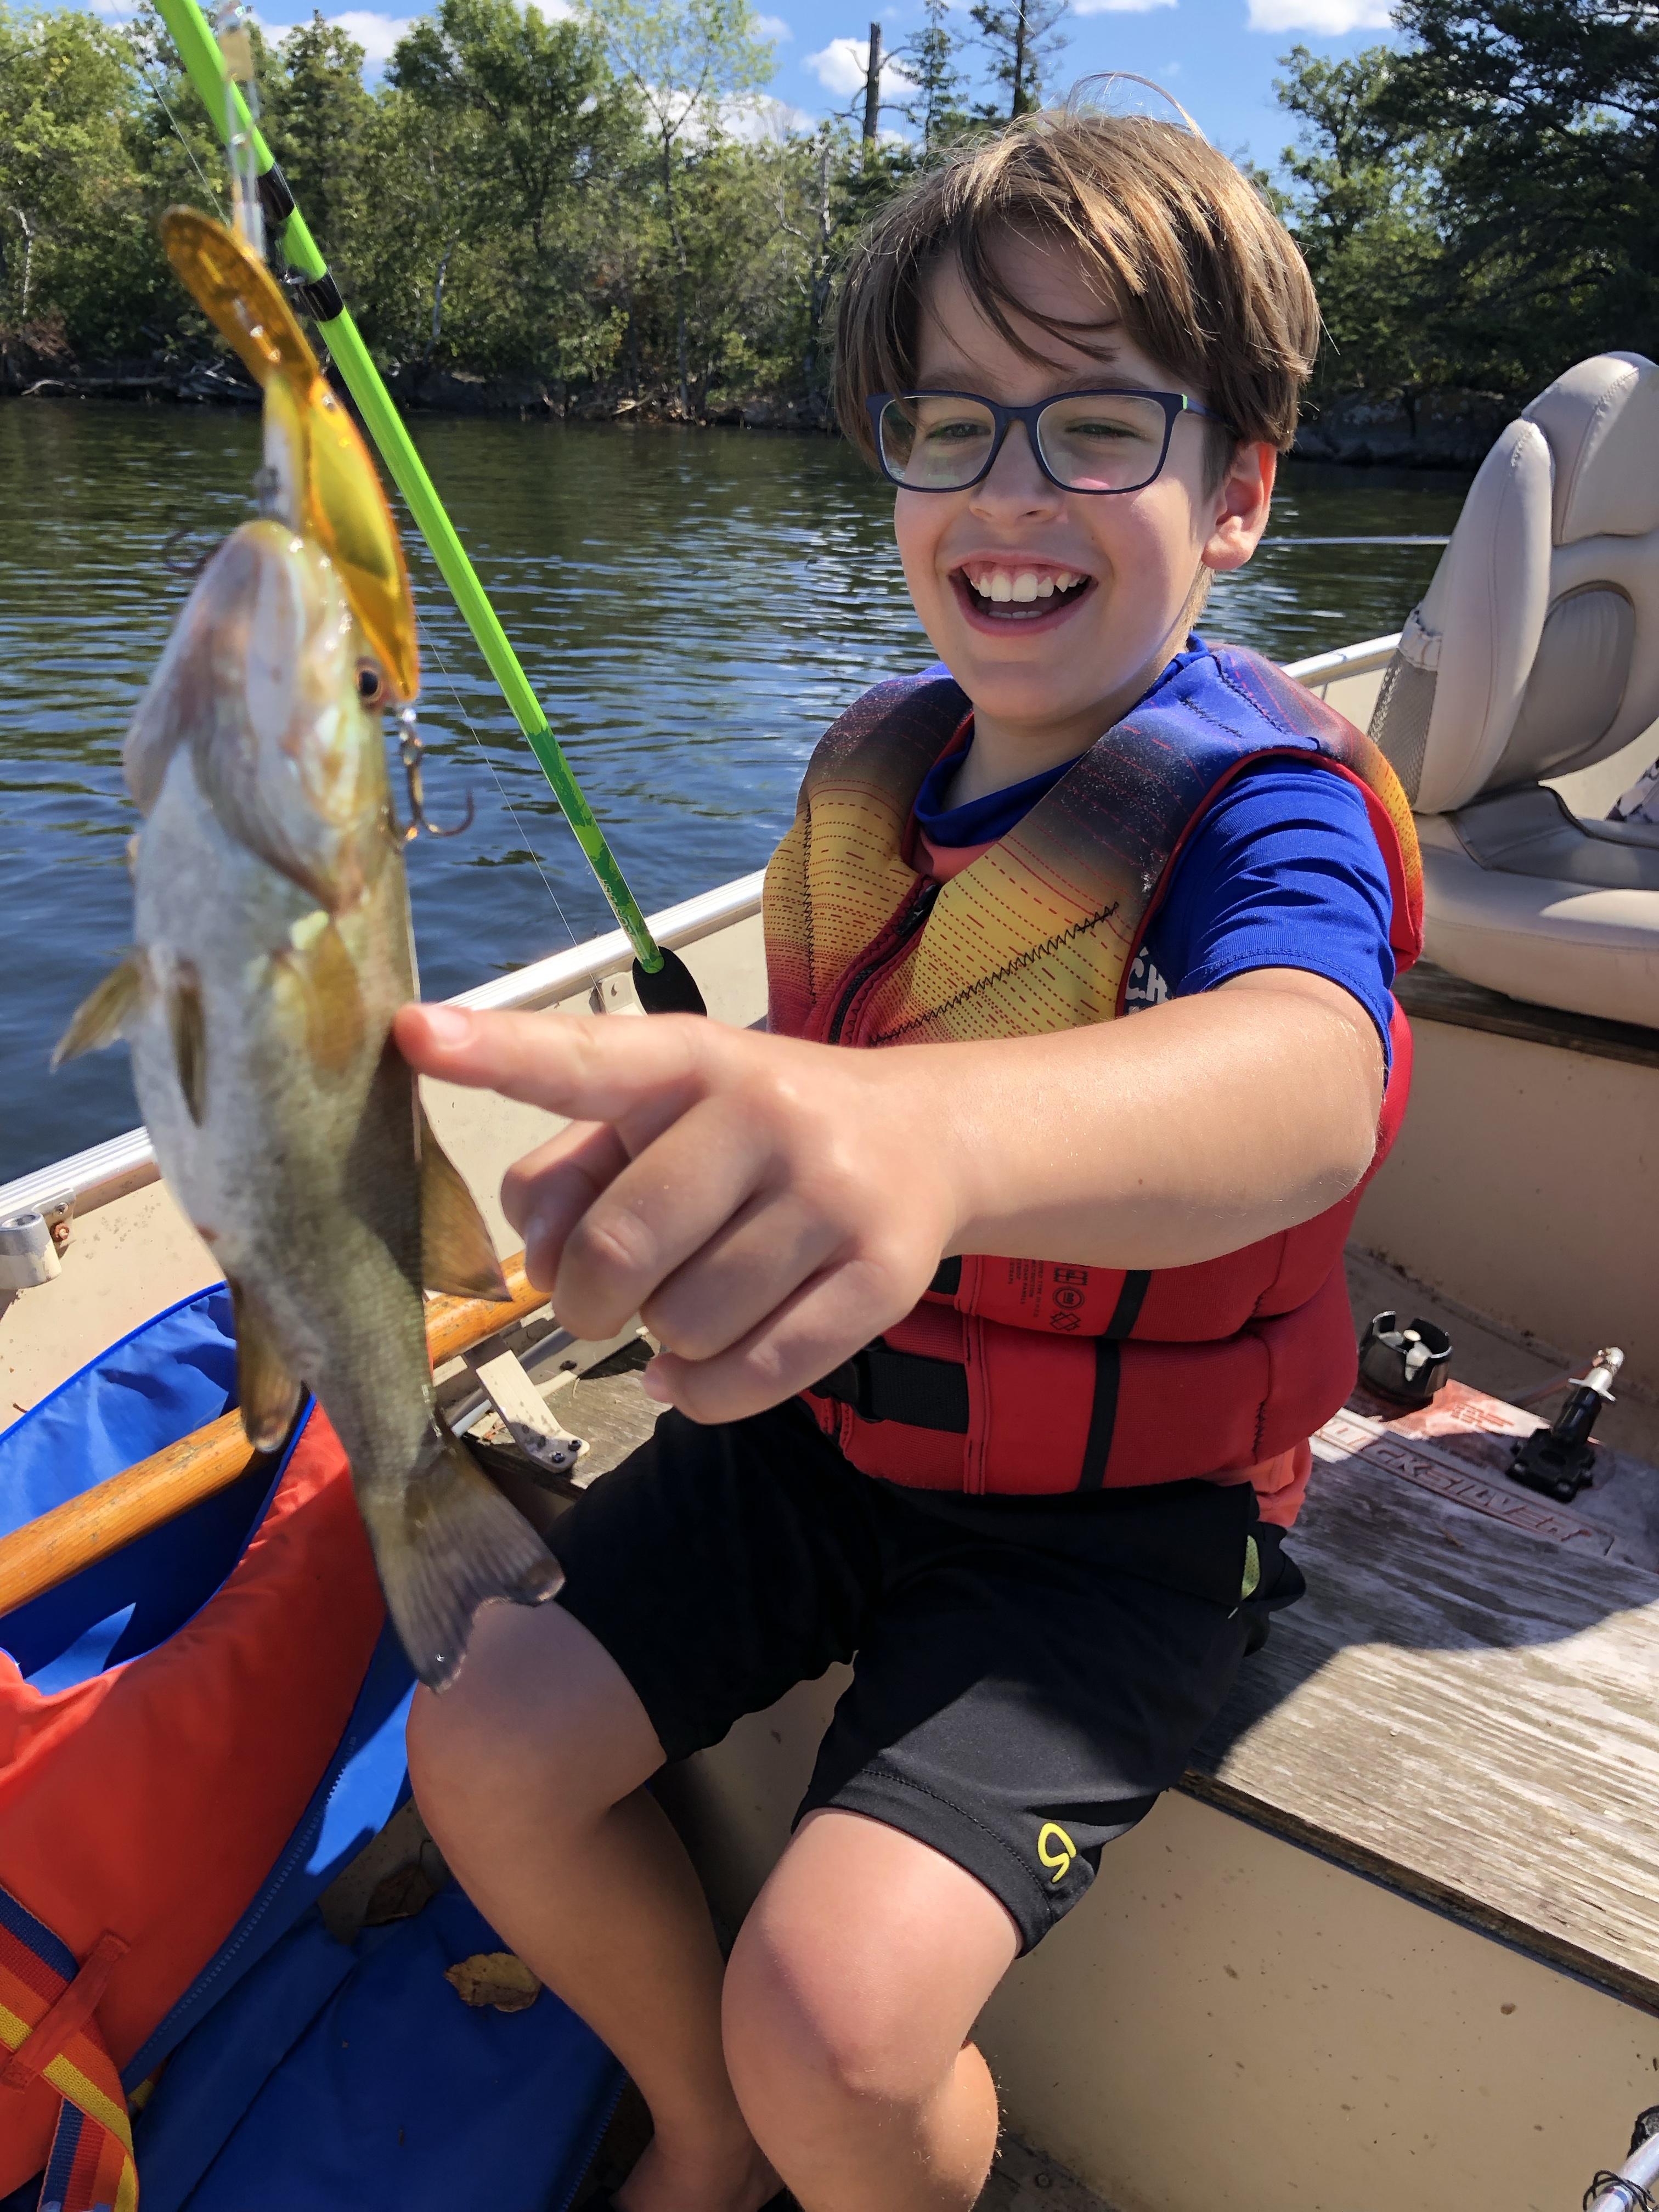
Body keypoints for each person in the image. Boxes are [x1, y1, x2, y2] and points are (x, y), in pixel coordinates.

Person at [396, 104, 1421, 2212]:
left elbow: (1315, 1073)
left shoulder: (1269, 813)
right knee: (479, 1745)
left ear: (1237, 495)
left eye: (1096, 426)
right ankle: (697, 2129)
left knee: (838, 2032)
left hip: (1118, 1533)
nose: (1007, 490)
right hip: (823, 1446)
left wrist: (920, 1135)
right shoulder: (881, 765)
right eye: (948, 423)